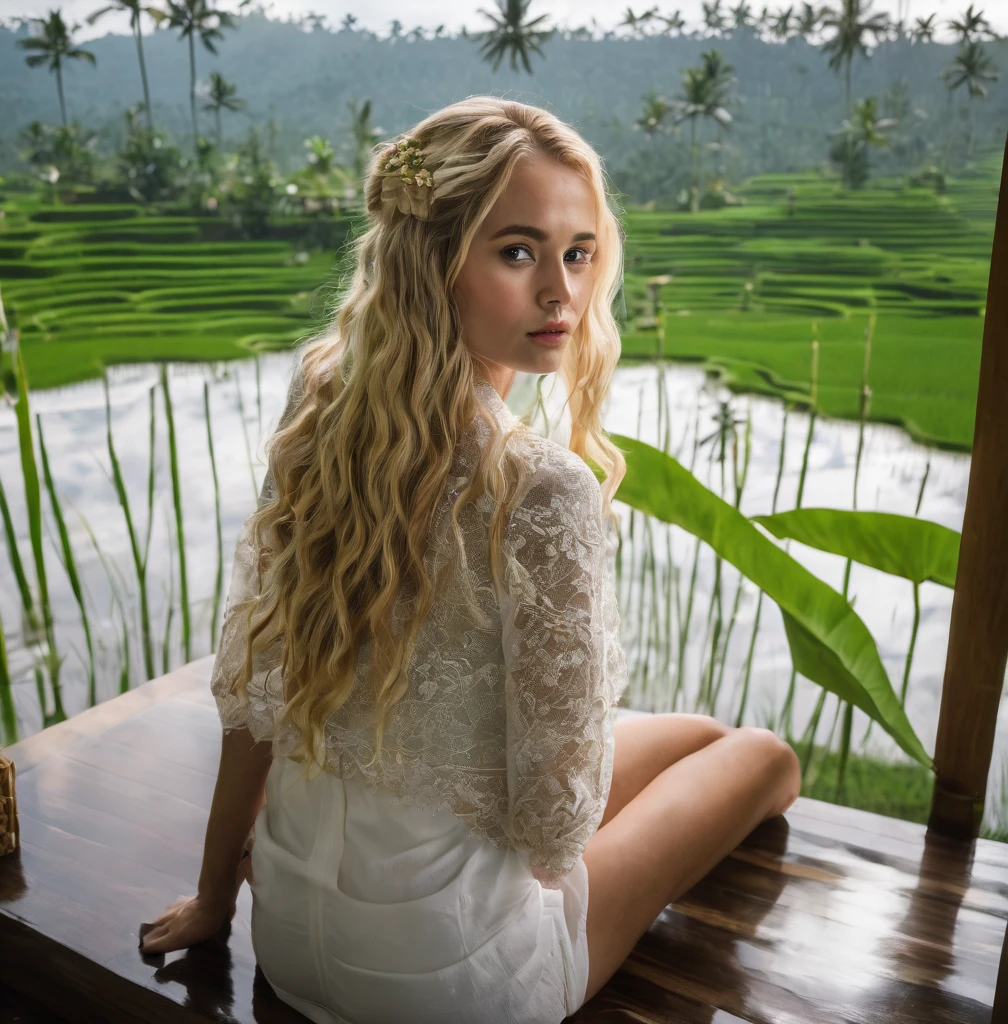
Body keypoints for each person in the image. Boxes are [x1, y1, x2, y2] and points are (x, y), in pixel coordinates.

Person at [138, 96, 801, 1024]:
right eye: (518, 251)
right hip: (450, 977)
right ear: (433, 259)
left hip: (286, 938)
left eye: (578, 253)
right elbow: (551, 831)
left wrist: (216, 901)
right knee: (764, 756)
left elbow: (256, 697)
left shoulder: (320, 409)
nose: (561, 296)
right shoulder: (544, 489)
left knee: (694, 737)